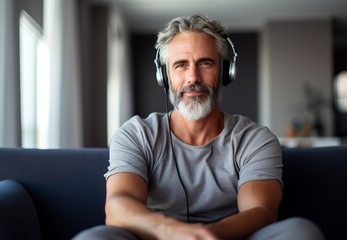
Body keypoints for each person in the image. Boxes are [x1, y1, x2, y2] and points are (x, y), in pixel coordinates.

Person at [74, 15, 324, 240]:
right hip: (157, 238)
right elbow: (118, 206)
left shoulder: (255, 139)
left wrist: (205, 236)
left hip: (227, 239)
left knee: (301, 231)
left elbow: (260, 211)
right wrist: (172, 232)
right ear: (165, 76)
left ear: (226, 71)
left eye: (205, 63)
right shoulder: (136, 134)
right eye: (180, 65)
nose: (193, 77)